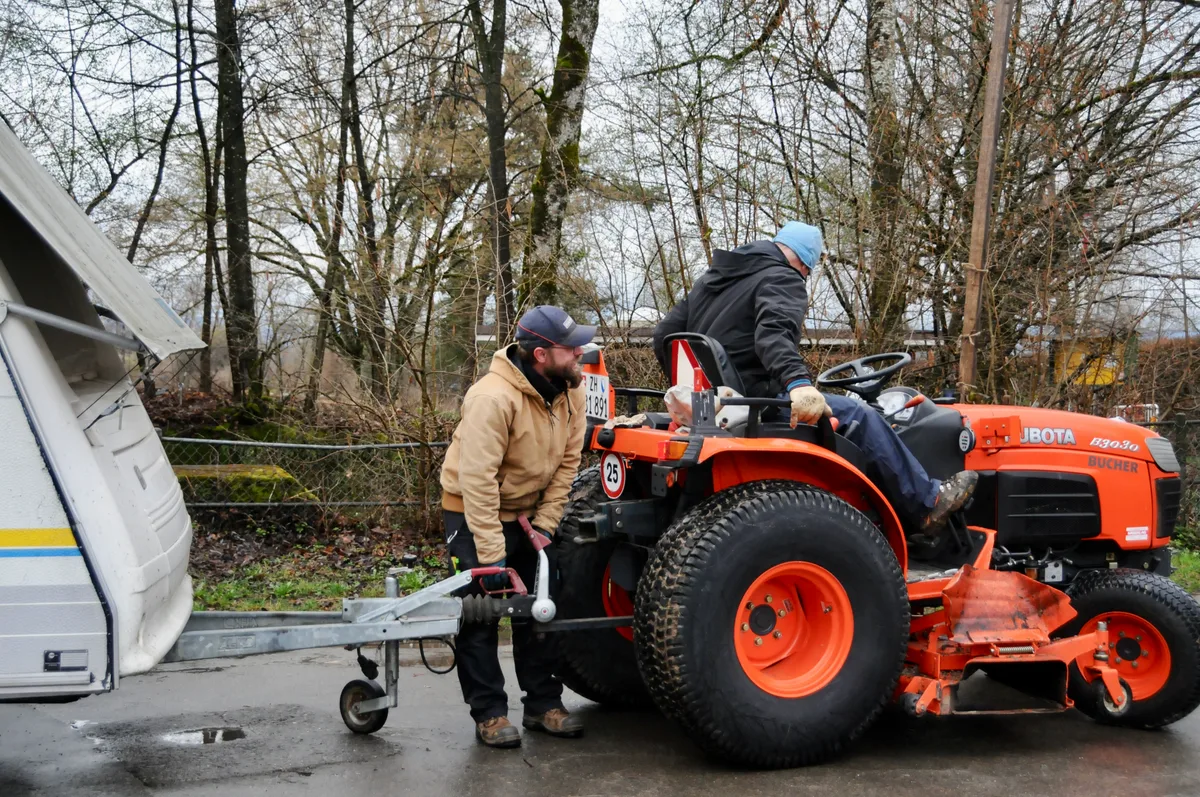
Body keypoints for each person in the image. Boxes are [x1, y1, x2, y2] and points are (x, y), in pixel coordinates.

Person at [651, 221, 978, 535]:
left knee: (845, 413)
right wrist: (798, 383)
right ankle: (928, 501)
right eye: (808, 272)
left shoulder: (713, 280)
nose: (804, 278)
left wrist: (692, 390)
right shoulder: (784, 277)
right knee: (861, 415)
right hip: (754, 401)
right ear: (805, 265)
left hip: (712, 405)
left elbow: (664, 334)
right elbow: (773, 337)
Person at [439, 305, 593, 748]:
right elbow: (477, 481)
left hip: (529, 513)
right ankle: (489, 713)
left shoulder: (570, 390)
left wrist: (545, 523)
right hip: (473, 511)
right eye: (571, 347)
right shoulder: (491, 398)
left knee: (541, 609)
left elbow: (568, 463)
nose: (581, 352)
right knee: (481, 614)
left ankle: (543, 705)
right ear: (541, 354)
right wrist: (491, 556)